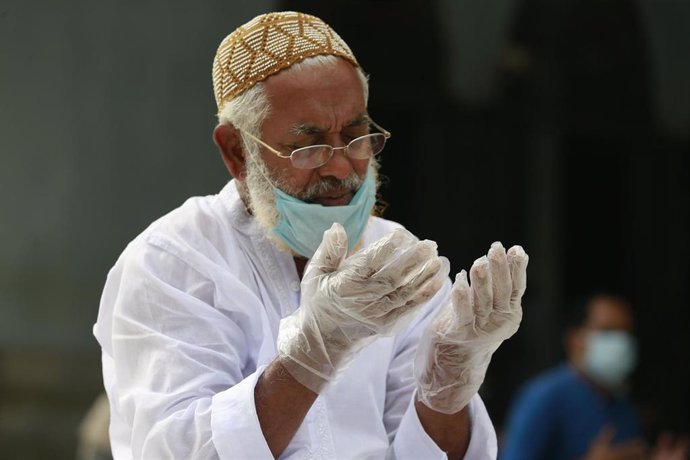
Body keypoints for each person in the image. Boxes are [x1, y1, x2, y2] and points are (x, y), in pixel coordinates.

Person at [93, 11, 529, 459]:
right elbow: (175, 451)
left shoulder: (396, 258)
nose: (341, 167)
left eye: (357, 136)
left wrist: (447, 385)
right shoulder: (174, 261)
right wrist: (312, 355)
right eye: (308, 145)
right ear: (236, 150)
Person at [499, 294, 657, 460]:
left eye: (626, 332)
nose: (621, 342)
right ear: (575, 340)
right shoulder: (544, 397)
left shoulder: (623, 404)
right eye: (608, 331)